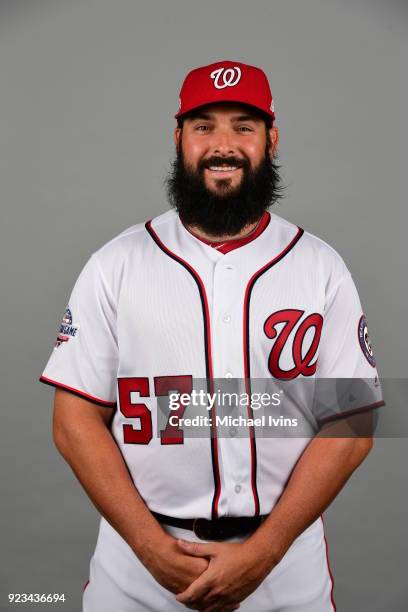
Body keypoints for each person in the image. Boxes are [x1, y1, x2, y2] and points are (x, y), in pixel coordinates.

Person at [40, 60, 384, 612]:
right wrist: (149, 547)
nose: (223, 144)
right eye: (204, 126)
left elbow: (352, 421)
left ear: (272, 140)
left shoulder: (321, 268)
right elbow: (73, 421)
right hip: (138, 567)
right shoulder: (115, 265)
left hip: (283, 567)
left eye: (243, 126)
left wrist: (267, 552)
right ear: (178, 140)